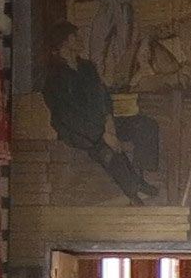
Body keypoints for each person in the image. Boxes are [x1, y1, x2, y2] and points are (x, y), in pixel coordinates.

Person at [39, 28, 149, 203]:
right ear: (64, 42)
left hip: (103, 124)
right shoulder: (55, 77)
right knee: (107, 151)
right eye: (75, 35)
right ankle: (134, 192)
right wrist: (102, 134)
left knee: (144, 125)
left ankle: (142, 177)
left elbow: (103, 95)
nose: (80, 39)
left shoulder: (87, 67)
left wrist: (109, 120)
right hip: (78, 131)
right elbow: (68, 117)